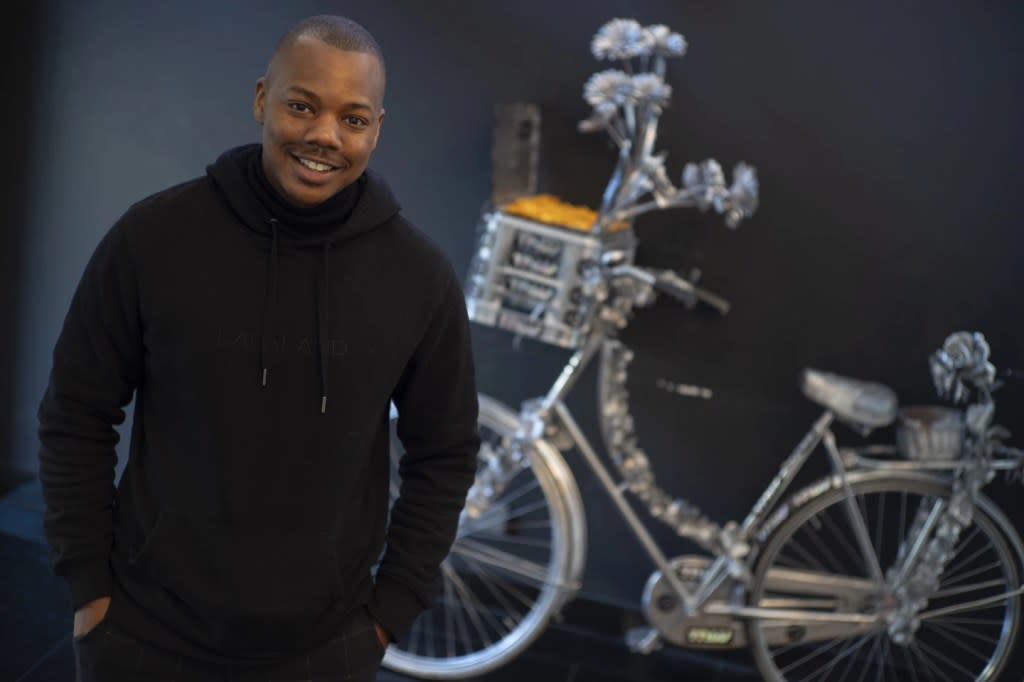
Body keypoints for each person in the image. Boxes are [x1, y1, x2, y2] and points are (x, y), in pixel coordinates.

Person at [37, 14, 480, 681]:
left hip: (323, 649)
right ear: (260, 100)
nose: (324, 136)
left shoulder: (419, 279)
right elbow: (77, 411)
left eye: (353, 119)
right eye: (302, 105)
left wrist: (389, 612)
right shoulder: (154, 238)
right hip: (142, 632)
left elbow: (445, 454)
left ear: (377, 129)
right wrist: (88, 587)